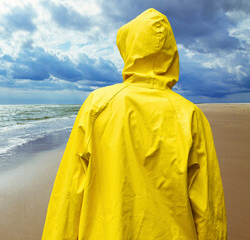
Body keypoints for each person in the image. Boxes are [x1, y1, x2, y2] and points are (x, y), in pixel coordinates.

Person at [42, 8, 227, 240]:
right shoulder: (191, 115)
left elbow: (69, 195)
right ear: (171, 54)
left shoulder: (98, 105)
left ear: (129, 49)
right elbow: (209, 207)